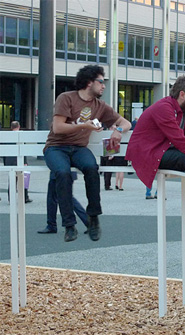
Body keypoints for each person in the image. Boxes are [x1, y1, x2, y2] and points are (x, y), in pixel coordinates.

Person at [43, 65, 131, 242]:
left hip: (79, 148)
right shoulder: (66, 98)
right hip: (56, 147)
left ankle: (93, 217)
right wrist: (85, 125)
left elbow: (126, 122)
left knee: (92, 167)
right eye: (101, 82)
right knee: (62, 173)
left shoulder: (100, 106)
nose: (103, 86)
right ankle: (69, 225)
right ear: (89, 82)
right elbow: (58, 127)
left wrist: (118, 130)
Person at [3, 121, 32, 203]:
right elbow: (23, 150)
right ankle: (24, 197)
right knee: (23, 179)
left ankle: (11, 198)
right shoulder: (21, 135)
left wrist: (5, 163)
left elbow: (5, 151)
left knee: (11, 181)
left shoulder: (7, 136)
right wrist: (25, 162)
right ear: (19, 126)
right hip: (19, 160)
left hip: (9, 161)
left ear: (11, 127)